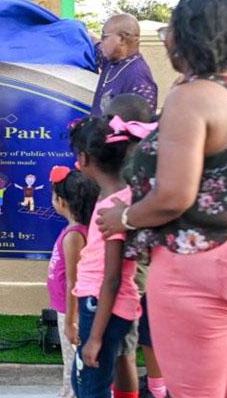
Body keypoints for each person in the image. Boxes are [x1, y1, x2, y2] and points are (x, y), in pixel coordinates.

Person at [96, 0, 227, 398]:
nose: (166, 36)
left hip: (193, 264)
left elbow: (173, 195)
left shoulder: (193, 99)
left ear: (188, 36)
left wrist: (122, 218)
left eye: (171, 27)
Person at [68, 116, 148, 398]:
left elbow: (112, 277)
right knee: (84, 382)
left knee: (91, 387)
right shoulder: (115, 196)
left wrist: (95, 338)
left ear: (84, 158)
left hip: (101, 306)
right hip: (99, 304)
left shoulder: (114, 205)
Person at [103, 95, 167, 398]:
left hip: (139, 260)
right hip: (153, 256)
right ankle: (158, 385)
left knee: (140, 331)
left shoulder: (130, 160)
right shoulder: (153, 151)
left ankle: (156, 387)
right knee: (148, 330)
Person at [47, 166, 99, 398]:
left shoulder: (75, 236)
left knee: (74, 365)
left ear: (62, 201)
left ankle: (70, 394)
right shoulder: (76, 230)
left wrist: (70, 321)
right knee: (73, 363)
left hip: (71, 311)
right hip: (67, 308)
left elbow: (73, 281)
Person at [90, 14, 158, 116]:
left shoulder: (138, 77)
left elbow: (141, 125)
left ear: (121, 39)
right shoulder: (111, 62)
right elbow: (95, 44)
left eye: (104, 37)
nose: (102, 42)